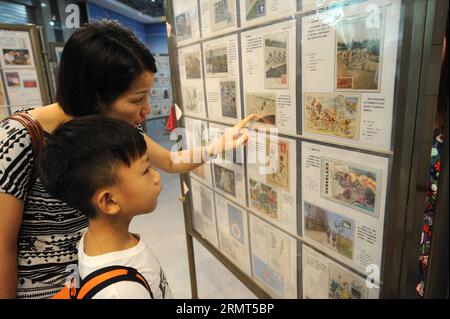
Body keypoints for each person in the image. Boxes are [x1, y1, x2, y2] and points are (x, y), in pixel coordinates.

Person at [0, 21, 254, 299]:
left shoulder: (114, 128)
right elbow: (3, 245)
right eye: (136, 100)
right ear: (96, 97)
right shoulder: (19, 139)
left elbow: (170, 161)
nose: (146, 110)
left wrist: (219, 145)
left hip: (93, 275)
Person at [39, 115, 171, 299]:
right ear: (109, 201)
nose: (156, 177)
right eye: (145, 170)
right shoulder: (120, 292)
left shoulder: (89, 239)